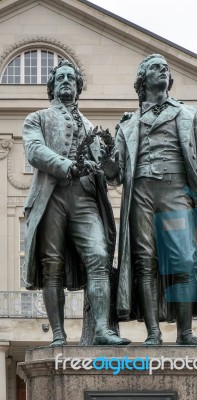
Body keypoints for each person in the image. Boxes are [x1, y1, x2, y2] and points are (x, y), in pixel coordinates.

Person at [110, 54, 197, 346]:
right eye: (156, 67)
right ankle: (153, 333)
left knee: (184, 261)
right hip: (141, 193)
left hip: (177, 190)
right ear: (142, 80)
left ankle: (185, 333)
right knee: (144, 263)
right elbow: (114, 175)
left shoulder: (189, 113)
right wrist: (104, 162)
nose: (163, 70)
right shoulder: (127, 123)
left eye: (166, 68)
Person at [23, 59, 130, 346]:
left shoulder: (91, 127)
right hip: (52, 196)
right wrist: (65, 165)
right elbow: (34, 151)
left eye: (72, 78)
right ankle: (58, 334)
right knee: (52, 265)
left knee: (99, 256)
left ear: (79, 87)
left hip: (85, 199)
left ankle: (102, 330)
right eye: (61, 78)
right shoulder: (38, 118)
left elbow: (110, 175)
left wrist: (111, 166)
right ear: (53, 86)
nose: (67, 81)